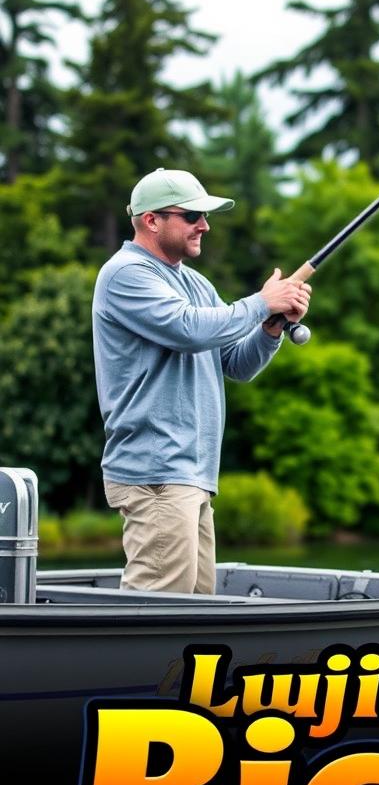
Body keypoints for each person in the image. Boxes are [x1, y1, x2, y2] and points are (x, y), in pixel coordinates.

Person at [92, 167, 311, 594]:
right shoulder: (125, 274)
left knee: (194, 607)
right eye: (192, 215)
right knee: (158, 611)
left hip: (191, 473)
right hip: (155, 471)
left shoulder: (195, 283)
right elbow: (189, 330)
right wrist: (261, 301)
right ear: (152, 220)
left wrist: (269, 327)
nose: (204, 226)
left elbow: (236, 362)